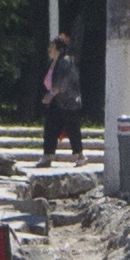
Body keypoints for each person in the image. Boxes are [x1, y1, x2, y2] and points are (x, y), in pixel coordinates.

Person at [39, 34, 84, 166]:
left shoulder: (65, 62)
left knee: (73, 129)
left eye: (52, 47)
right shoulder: (52, 63)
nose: (49, 50)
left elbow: (63, 83)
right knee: (50, 128)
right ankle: (48, 155)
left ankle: (80, 155)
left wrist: (51, 94)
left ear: (59, 49)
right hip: (56, 102)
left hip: (68, 102)